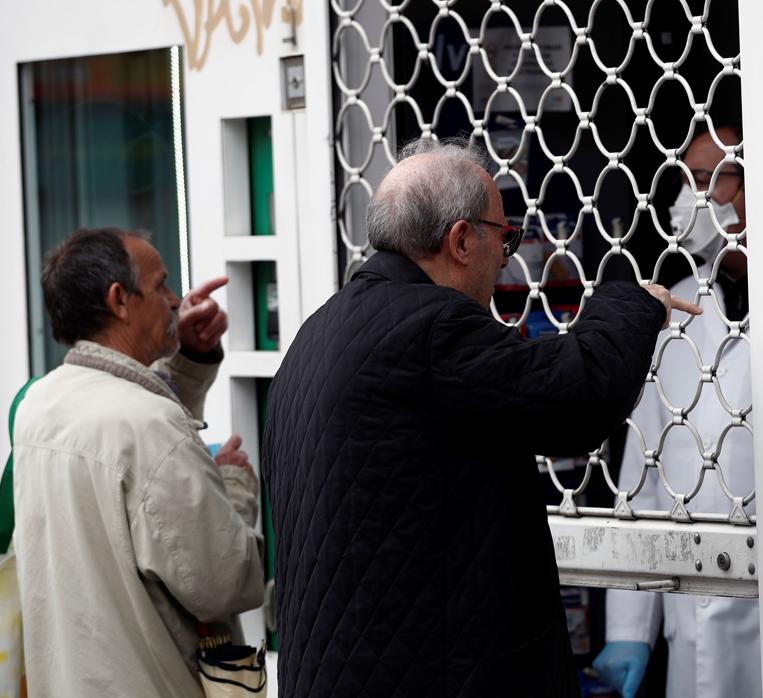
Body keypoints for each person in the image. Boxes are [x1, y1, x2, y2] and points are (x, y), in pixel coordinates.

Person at [263, 136, 700, 697]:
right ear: (462, 240)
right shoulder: (431, 328)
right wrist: (634, 305)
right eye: (506, 237)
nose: (507, 256)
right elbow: (578, 398)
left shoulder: (319, 331)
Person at [13, 228, 265, 696]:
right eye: (162, 285)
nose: (175, 301)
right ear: (119, 300)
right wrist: (235, 485)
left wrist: (188, 356)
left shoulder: (38, 405)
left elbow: (121, 417)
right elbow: (224, 581)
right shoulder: (149, 426)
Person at [592, 125, 761, 698]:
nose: (693, 196)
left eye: (712, 178)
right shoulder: (673, 312)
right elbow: (640, 481)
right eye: (688, 178)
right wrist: (629, 629)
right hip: (689, 627)